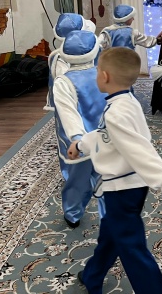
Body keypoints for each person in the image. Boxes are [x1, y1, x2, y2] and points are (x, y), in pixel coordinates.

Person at [67, 47, 162, 294]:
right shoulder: (126, 102)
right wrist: (81, 145)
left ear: (105, 76)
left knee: (131, 247)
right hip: (130, 185)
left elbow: (140, 150)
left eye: (97, 71)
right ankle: (93, 274)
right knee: (111, 234)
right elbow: (105, 136)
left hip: (122, 188)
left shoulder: (117, 113)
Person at [53, 30, 106, 228]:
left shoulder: (64, 81)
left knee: (78, 180)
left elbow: (68, 112)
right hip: (105, 138)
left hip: (81, 143)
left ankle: (73, 213)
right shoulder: (105, 73)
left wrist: (77, 138)